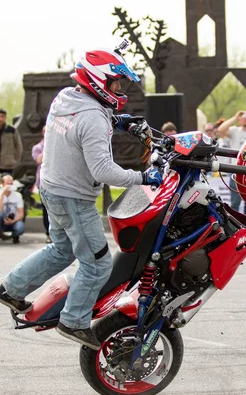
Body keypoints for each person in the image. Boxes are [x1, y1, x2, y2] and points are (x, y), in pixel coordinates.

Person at [0, 46, 162, 350]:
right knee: (99, 265)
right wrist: (142, 177)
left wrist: (117, 120)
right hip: (74, 198)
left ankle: (10, 288)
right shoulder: (93, 119)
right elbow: (104, 171)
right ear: (99, 81)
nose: (119, 89)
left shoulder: (64, 98)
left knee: (62, 250)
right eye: (115, 83)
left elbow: (83, 120)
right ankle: (74, 321)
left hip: (52, 189)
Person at [216, 110, 246, 217]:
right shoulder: (234, 131)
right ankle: (235, 227)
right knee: (235, 203)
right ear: (240, 119)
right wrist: (235, 117)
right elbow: (220, 130)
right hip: (235, 172)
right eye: (243, 116)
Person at [32, 127, 51, 243]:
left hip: (56, 181)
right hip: (42, 182)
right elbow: (39, 160)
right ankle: (48, 233)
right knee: (46, 209)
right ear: (43, 133)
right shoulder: (37, 147)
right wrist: (48, 147)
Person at [0, 175, 25, 243]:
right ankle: (1, 234)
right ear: (2, 184)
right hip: (2, 220)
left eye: (11, 184)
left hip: (13, 220)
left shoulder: (18, 195)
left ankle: (14, 236)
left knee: (20, 228)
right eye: (8, 184)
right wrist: (2, 195)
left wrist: (13, 221)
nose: (10, 186)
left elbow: (21, 214)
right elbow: (0, 211)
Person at [0, 108, 23, 174]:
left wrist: (14, 160)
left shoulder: (12, 130)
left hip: (8, 165)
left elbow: (18, 146)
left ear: (5, 117)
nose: (0, 119)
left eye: (2, 116)